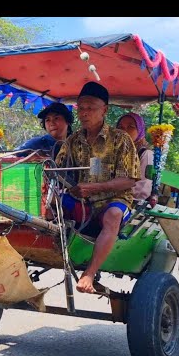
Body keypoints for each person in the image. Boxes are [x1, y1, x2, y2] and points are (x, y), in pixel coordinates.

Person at [56, 81, 139, 294]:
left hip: (114, 201)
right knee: (47, 204)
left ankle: (90, 273)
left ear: (105, 110)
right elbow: (58, 170)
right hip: (82, 201)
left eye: (90, 108)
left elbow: (130, 180)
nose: (84, 113)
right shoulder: (72, 141)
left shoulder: (121, 139)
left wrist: (94, 188)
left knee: (112, 215)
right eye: (80, 108)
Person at [116, 112, 157, 207]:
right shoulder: (111, 149)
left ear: (140, 130)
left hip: (129, 203)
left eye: (131, 127)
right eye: (120, 127)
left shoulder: (145, 153)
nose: (124, 131)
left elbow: (141, 189)